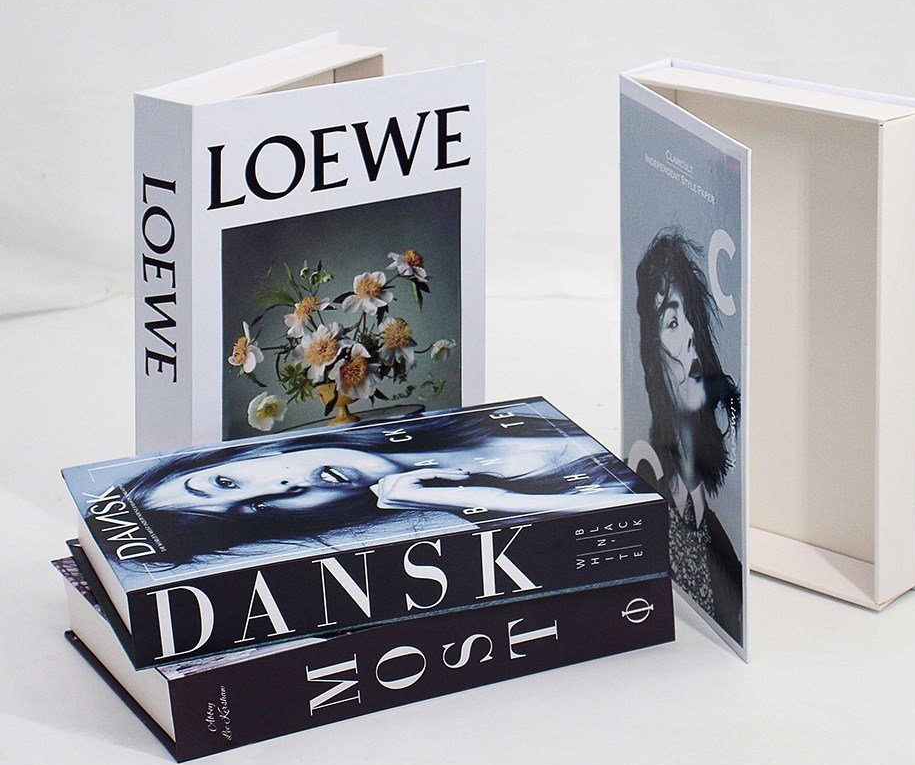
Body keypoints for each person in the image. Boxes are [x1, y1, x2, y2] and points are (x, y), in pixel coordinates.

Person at [120, 406, 658, 569]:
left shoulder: (467, 420)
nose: (283, 488)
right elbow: (627, 516)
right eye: (256, 511)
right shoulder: (460, 519)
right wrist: (452, 497)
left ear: (249, 454)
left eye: (226, 482)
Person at [634, 228, 743, 643]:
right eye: (672, 322)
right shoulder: (642, 488)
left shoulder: (729, 561)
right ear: (652, 350)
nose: (691, 334)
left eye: (691, 316)